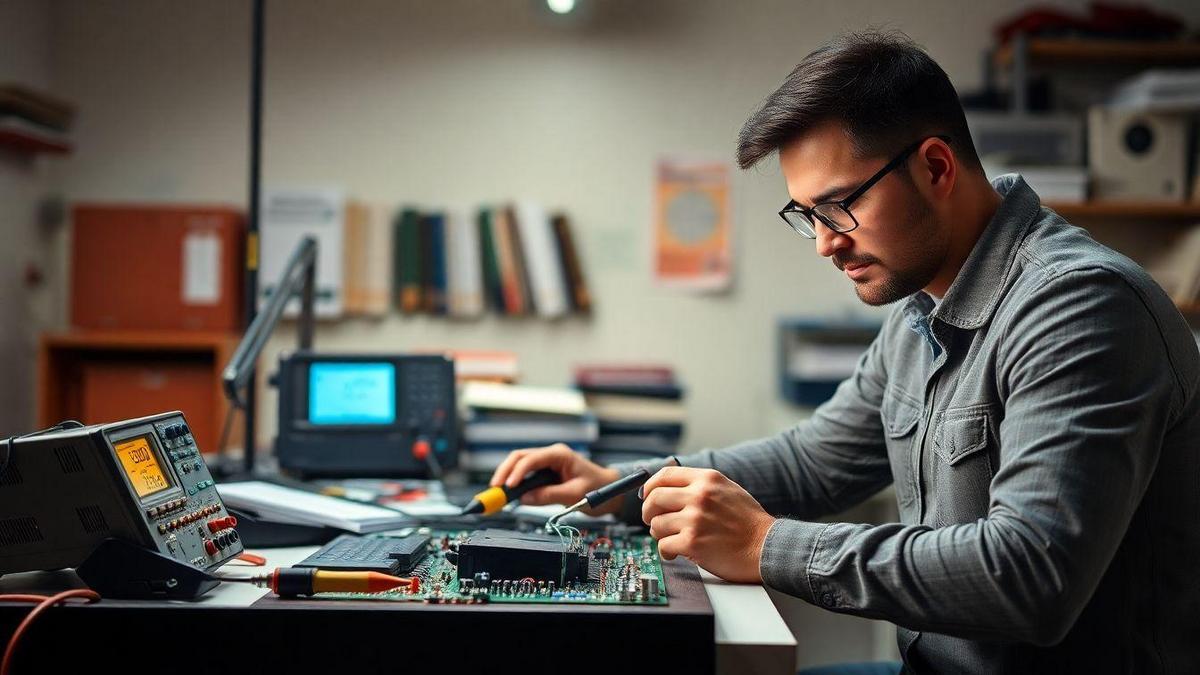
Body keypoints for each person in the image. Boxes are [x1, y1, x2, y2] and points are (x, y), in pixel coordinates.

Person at [491, 30, 1200, 673]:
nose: (827, 242)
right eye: (808, 216)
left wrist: (769, 544)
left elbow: (1030, 575)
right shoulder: (922, 303)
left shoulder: (1079, 306)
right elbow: (816, 460)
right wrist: (621, 488)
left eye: (839, 206)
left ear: (935, 167)